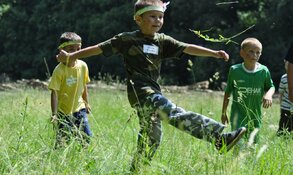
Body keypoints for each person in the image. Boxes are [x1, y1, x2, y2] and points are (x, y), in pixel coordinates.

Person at [56, 0, 246, 172]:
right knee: (173, 111)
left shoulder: (162, 41)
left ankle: (136, 170)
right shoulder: (126, 39)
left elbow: (187, 47)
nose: (158, 21)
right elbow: (98, 48)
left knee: (152, 136)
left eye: (161, 17)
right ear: (139, 19)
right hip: (141, 93)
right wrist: (72, 56)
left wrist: (214, 53)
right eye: (153, 17)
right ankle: (218, 137)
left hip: (154, 92)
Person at [221, 38, 275, 144]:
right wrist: (224, 112)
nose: (254, 55)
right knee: (238, 145)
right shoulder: (234, 70)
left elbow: (271, 87)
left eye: (258, 52)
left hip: (255, 117)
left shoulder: (264, 71)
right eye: (251, 51)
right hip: (238, 116)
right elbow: (228, 92)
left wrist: (268, 95)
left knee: (252, 147)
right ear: (242, 53)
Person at [49, 32, 92, 148]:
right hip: (63, 112)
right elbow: (54, 93)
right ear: (62, 50)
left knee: (86, 138)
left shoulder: (83, 66)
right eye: (72, 49)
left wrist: (86, 102)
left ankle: (84, 160)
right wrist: (54, 114)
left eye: (78, 49)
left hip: (79, 109)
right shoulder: (59, 71)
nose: (76, 52)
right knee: (63, 141)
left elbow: (84, 85)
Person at [276, 60, 293, 136]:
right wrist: (281, 104)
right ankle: (281, 136)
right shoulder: (284, 78)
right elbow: (281, 93)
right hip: (285, 107)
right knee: (283, 124)